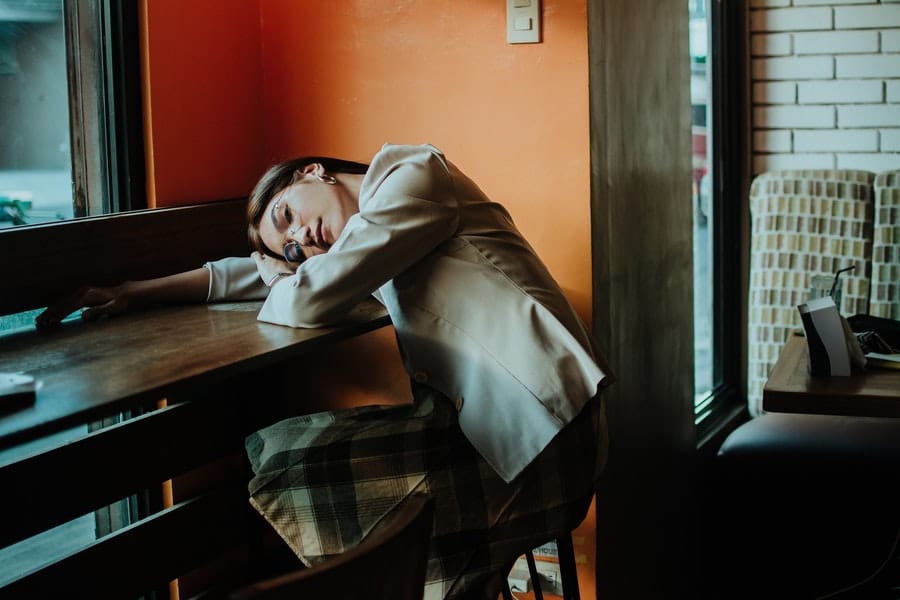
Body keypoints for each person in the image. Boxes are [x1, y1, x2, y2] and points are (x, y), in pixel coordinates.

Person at [38, 143, 613, 599]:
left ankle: (423, 580)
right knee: (280, 454)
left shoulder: (414, 176)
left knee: (290, 467)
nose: (298, 239)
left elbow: (306, 300)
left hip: (551, 431)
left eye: (287, 214)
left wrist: (288, 273)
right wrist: (138, 292)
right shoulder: (368, 240)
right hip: (503, 428)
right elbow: (257, 274)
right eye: (289, 247)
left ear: (311, 171)